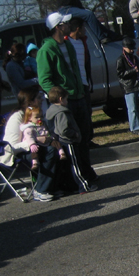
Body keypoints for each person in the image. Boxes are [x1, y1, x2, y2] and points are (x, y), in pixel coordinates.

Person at [37, 12, 98, 183]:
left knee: (83, 136)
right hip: (64, 102)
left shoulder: (69, 45)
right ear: (58, 27)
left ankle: (87, 171)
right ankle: (75, 177)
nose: (69, 25)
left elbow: (76, 70)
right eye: (65, 23)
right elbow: (44, 80)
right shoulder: (46, 50)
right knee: (70, 139)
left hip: (79, 96)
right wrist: (58, 98)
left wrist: (81, 89)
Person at [0, 86, 59, 202]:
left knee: (57, 146)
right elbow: (12, 146)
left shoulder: (37, 114)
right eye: (39, 97)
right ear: (30, 101)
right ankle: (41, 190)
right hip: (17, 153)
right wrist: (35, 141)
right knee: (49, 151)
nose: (42, 99)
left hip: (36, 148)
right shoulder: (17, 117)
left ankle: (54, 186)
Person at [45, 86, 97, 193]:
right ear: (61, 99)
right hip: (68, 141)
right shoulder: (62, 112)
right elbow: (63, 130)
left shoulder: (50, 111)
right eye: (66, 99)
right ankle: (84, 186)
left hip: (59, 141)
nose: (67, 101)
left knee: (68, 166)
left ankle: (72, 186)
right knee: (75, 165)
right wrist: (75, 134)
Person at [66, 18, 96, 149]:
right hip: (74, 84)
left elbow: (86, 63)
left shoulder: (82, 42)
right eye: (83, 28)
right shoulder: (67, 43)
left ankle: (88, 139)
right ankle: (80, 140)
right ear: (78, 29)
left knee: (87, 112)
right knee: (78, 114)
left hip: (84, 82)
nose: (85, 31)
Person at [115, 37, 139, 134]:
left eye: (133, 48)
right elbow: (120, 74)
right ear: (124, 48)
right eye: (130, 48)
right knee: (132, 108)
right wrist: (133, 70)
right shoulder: (121, 59)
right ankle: (135, 128)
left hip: (138, 85)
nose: (132, 50)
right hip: (128, 86)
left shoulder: (134, 58)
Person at [20, 106, 65, 170]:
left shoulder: (42, 124)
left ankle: (61, 153)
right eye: (36, 117)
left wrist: (50, 137)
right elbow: (29, 137)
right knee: (35, 150)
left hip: (45, 141)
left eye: (41, 116)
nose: (39, 119)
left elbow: (46, 131)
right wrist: (32, 144)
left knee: (55, 143)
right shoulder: (29, 127)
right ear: (29, 118)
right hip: (36, 143)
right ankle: (35, 162)